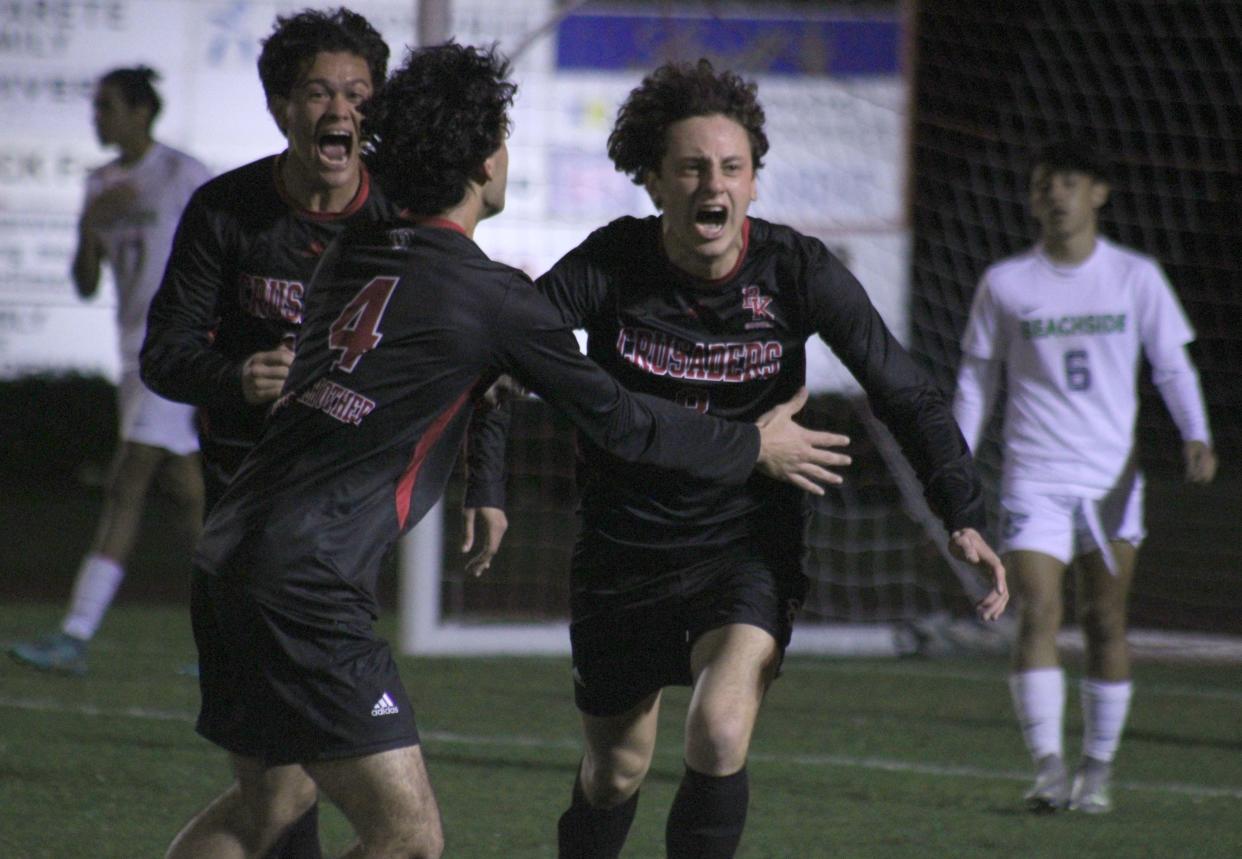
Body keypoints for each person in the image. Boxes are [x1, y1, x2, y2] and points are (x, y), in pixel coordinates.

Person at [159, 42, 849, 859]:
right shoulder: (493, 299)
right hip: (307, 584)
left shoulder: (355, 251)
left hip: (228, 552)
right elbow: (622, 420)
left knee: (267, 803)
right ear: (486, 160)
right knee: (408, 838)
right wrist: (750, 442)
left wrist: (484, 483)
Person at [517, 59, 1009, 859]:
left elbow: (905, 390)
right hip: (623, 548)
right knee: (615, 767)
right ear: (654, 182)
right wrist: (484, 486)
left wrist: (963, 510)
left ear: (752, 183)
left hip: (744, 543)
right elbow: (514, 348)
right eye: (692, 166)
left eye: (733, 167)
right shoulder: (611, 263)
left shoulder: (796, 271)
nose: (715, 183)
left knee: (718, 727)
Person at [140, 8, 393, 857]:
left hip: (345, 531)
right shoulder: (228, 211)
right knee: (294, 793)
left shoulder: (397, 221)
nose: (339, 109)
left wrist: (489, 487)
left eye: (357, 94)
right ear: (283, 105)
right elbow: (165, 353)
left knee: (283, 791)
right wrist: (237, 379)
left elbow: (467, 360)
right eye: (319, 91)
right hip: (248, 529)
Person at [953, 139, 1217, 815]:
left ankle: (1096, 770)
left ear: (1098, 192)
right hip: (1033, 477)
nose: (1056, 195)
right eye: (1044, 184)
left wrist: (1196, 432)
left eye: (1069, 182)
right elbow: (977, 378)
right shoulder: (1006, 283)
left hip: (1112, 480)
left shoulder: (1135, 277)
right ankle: (1048, 768)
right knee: (1038, 610)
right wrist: (954, 455)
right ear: (1033, 199)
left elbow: (1172, 364)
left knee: (1106, 617)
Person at [10, 66, 211, 676]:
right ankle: (236, 635)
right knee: (189, 493)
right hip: (133, 353)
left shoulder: (183, 176)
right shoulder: (100, 182)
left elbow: (223, 256)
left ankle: (75, 634)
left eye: (106, 107)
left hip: (173, 349)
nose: (96, 118)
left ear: (140, 113)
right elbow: (86, 280)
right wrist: (91, 223)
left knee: (128, 481)